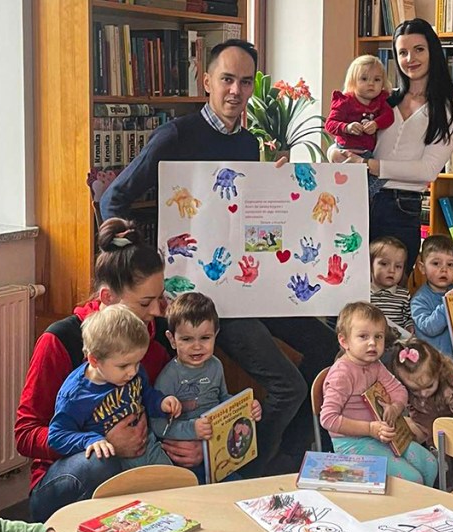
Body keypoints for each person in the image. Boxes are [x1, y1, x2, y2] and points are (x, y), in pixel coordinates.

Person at [99, 39, 339, 474]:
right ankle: (248, 471)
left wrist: (279, 187)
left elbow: (248, 221)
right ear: (206, 81)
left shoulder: (250, 145)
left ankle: (289, 452)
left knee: (328, 344)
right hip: (207, 297)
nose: (235, 90)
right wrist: (141, 268)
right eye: (226, 79)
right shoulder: (175, 136)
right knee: (286, 384)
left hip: (253, 283)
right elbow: (114, 199)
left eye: (245, 82)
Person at [15, 218, 201, 522]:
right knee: (101, 463)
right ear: (107, 298)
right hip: (68, 476)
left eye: (160, 298)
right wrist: (101, 440)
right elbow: (25, 435)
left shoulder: (155, 337)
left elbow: (162, 405)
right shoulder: (60, 341)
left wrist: (193, 444)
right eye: (145, 303)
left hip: (142, 459)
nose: (157, 311)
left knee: (200, 471)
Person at [338, 18, 453, 272]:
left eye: (419, 49)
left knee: (391, 295)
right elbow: (352, 141)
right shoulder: (385, 99)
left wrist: (370, 165)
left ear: (433, 51)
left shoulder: (449, 107)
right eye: (402, 52)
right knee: (350, 288)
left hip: (401, 205)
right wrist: (336, 151)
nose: (410, 58)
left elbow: (428, 170)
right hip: (359, 199)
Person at [319, 302, 438, 485]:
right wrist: (369, 429)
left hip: (382, 435)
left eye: (378, 337)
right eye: (363, 337)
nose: (372, 343)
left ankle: (423, 508)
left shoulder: (375, 364)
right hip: (352, 444)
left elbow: (398, 390)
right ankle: (407, 510)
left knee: (430, 463)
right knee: (412, 479)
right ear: (344, 341)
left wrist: (395, 406)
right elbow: (328, 419)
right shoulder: (342, 374)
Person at [48, 304, 183, 467]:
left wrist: (161, 402)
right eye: (123, 366)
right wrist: (89, 440)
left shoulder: (133, 369)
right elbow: (56, 436)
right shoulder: (76, 394)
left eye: (137, 362)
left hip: (149, 448)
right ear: (94, 360)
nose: (133, 371)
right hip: (112, 465)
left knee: (175, 486)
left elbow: (145, 393)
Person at [151, 292, 263, 482]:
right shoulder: (169, 377)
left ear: (215, 335)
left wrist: (246, 407)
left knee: (239, 486)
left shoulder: (216, 365)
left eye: (205, 338)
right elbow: (158, 425)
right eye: (187, 339)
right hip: (184, 461)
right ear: (172, 339)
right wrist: (192, 429)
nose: (197, 347)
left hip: (217, 452)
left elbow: (222, 399)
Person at [388, 339, 453, 486]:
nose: (423, 393)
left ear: (438, 370)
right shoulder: (405, 387)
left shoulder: (448, 391)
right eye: (415, 390)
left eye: (428, 386)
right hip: (430, 436)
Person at [325, 54, 394, 196]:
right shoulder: (345, 101)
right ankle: (362, 196)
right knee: (356, 182)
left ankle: (363, 196)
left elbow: (389, 117)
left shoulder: (381, 101)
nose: (371, 84)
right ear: (353, 81)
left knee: (382, 175)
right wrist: (347, 127)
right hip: (345, 148)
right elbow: (330, 124)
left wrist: (376, 123)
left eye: (377, 79)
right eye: (364, 79)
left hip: (367, 152)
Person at [369, 236, 414, 341]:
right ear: (370, 265)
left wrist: (409, 326)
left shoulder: (404, 294)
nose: (392, 270)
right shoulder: (364, 293)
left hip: (396, 344)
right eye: (384, 264)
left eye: (398, 266)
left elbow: (408, 317)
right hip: (371, 343)